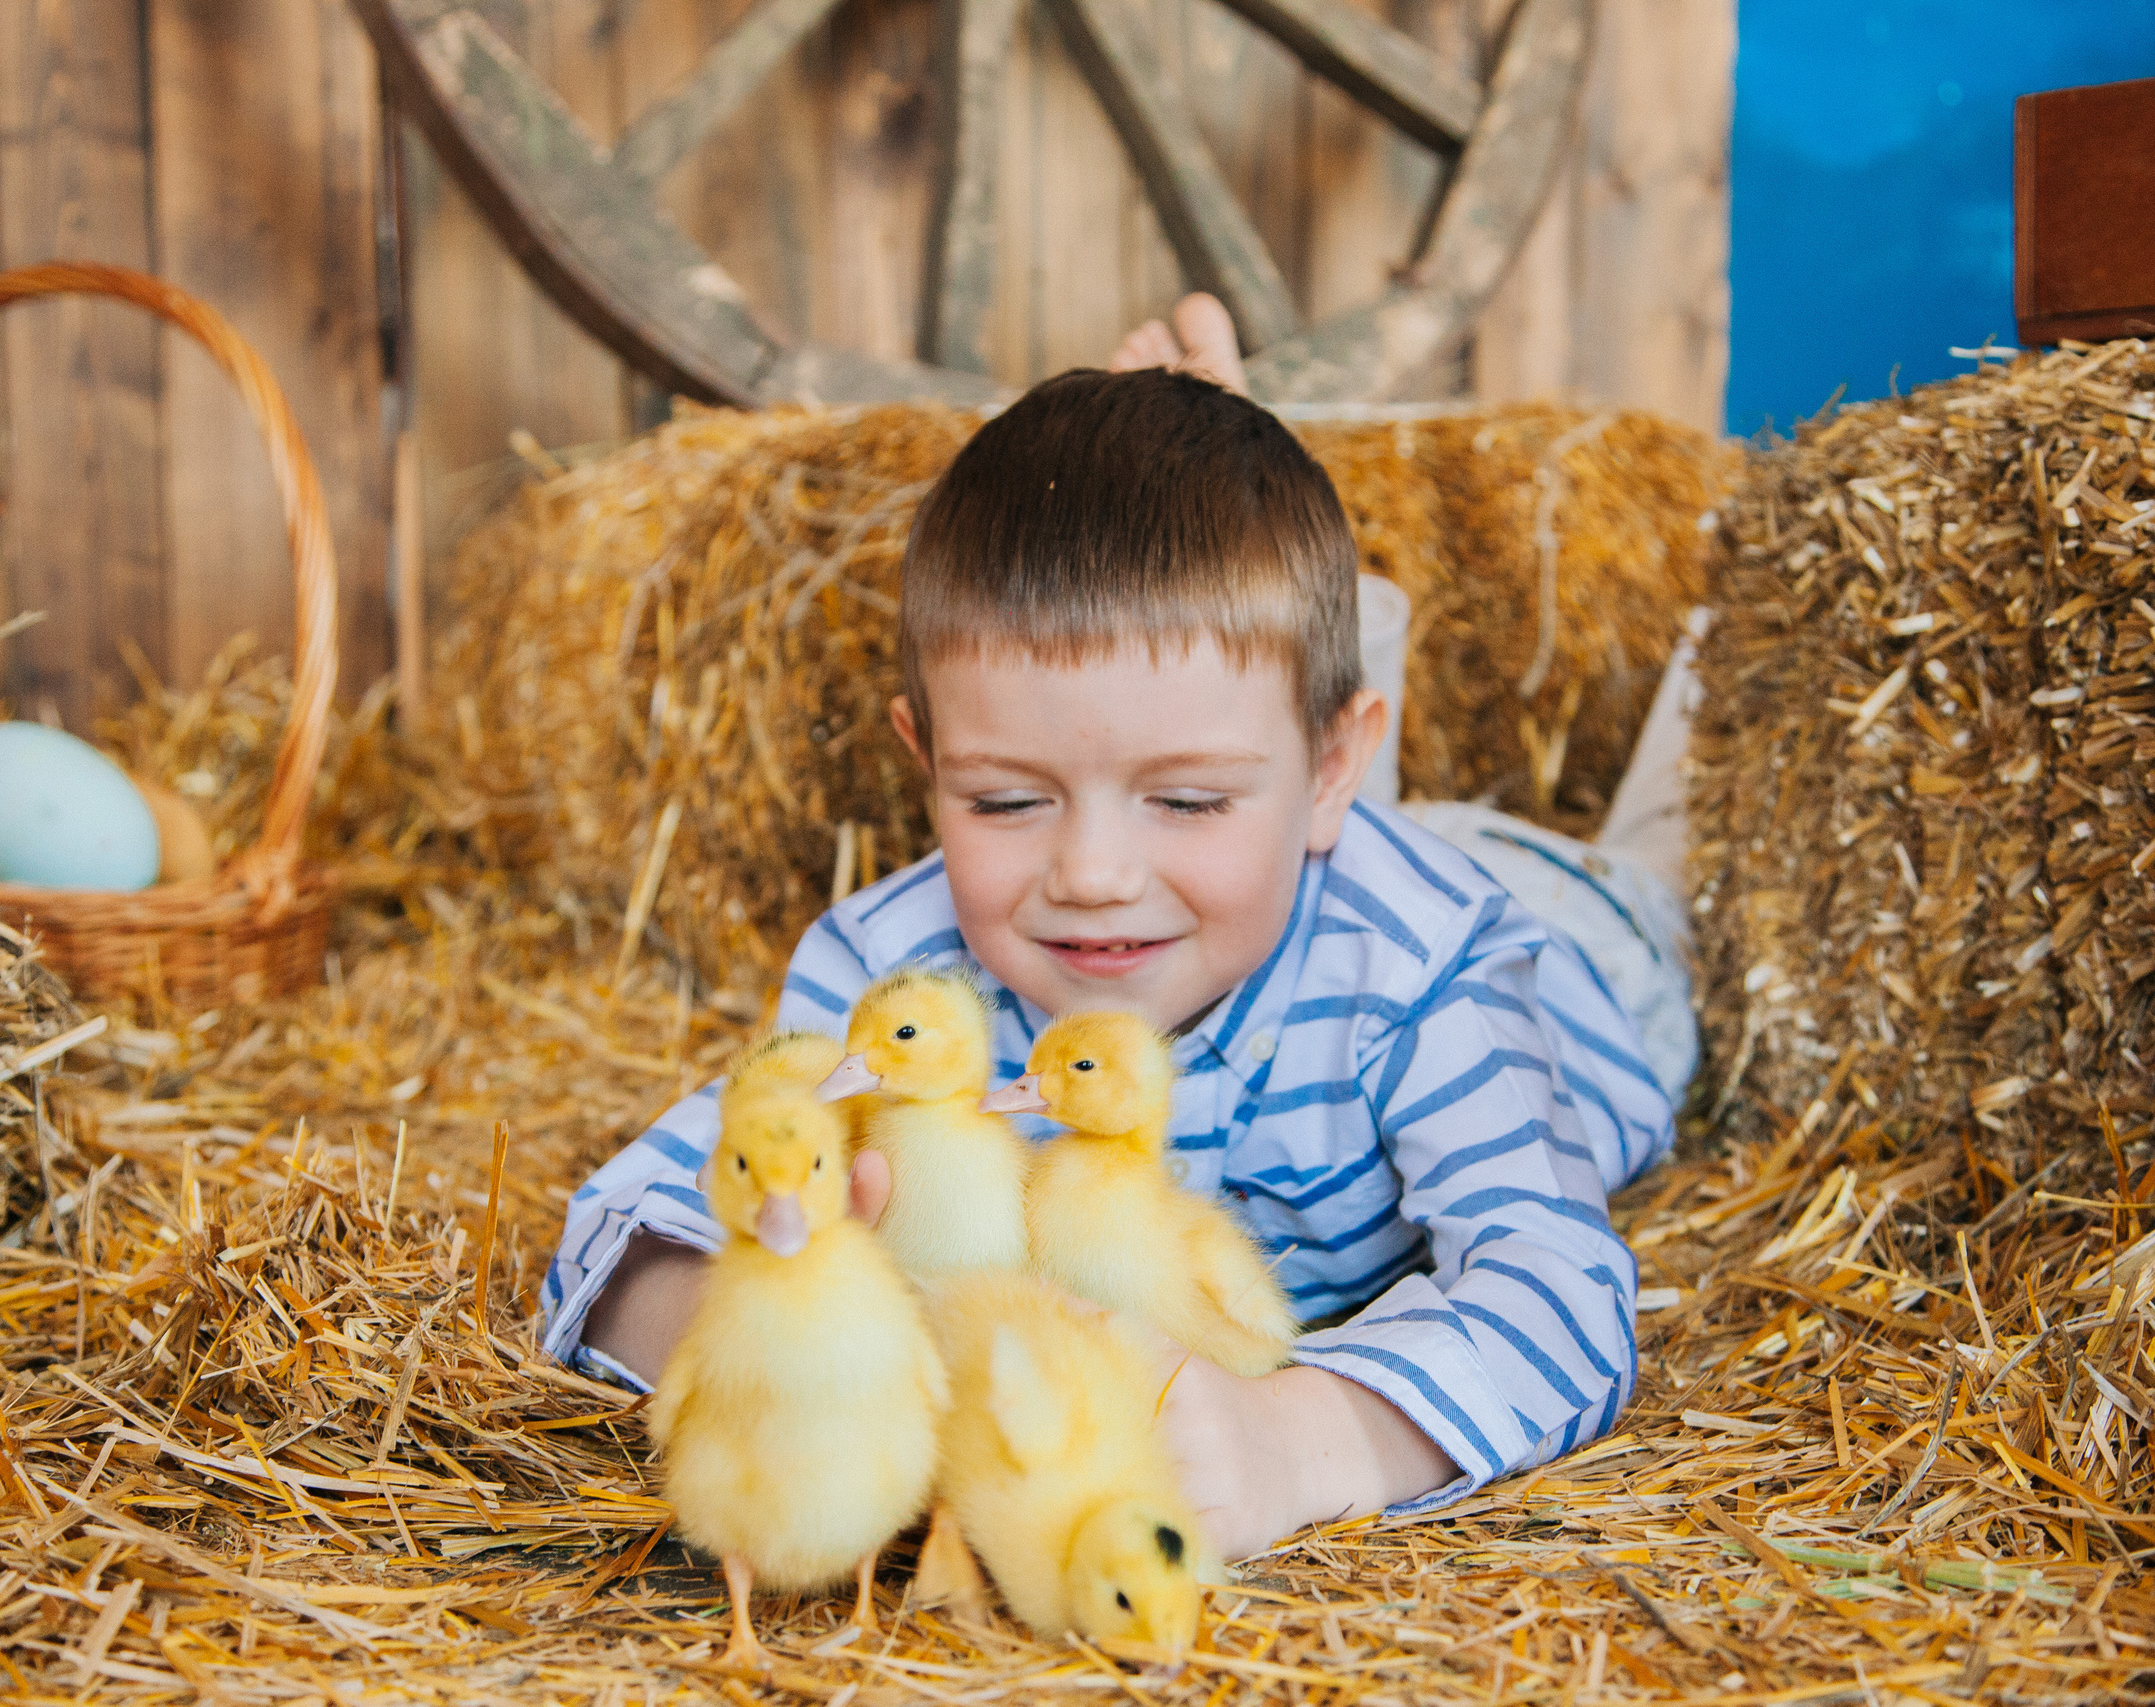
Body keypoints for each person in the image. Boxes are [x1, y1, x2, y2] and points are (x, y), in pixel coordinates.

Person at [541, 312, 1695, 1563]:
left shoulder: (1430, 968)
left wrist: (1297, 1441)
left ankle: (1608, 689)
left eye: (1183, 798)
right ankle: (1264, 651)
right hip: (1293, 840)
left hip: (1582, 950)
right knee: (1245, 777)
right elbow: (618, 1229)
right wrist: (787, 1343)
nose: (1090, 878)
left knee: (1659, 862)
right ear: (923, 764)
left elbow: (1564, 1290)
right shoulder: (892, 977)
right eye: (1005, 801)